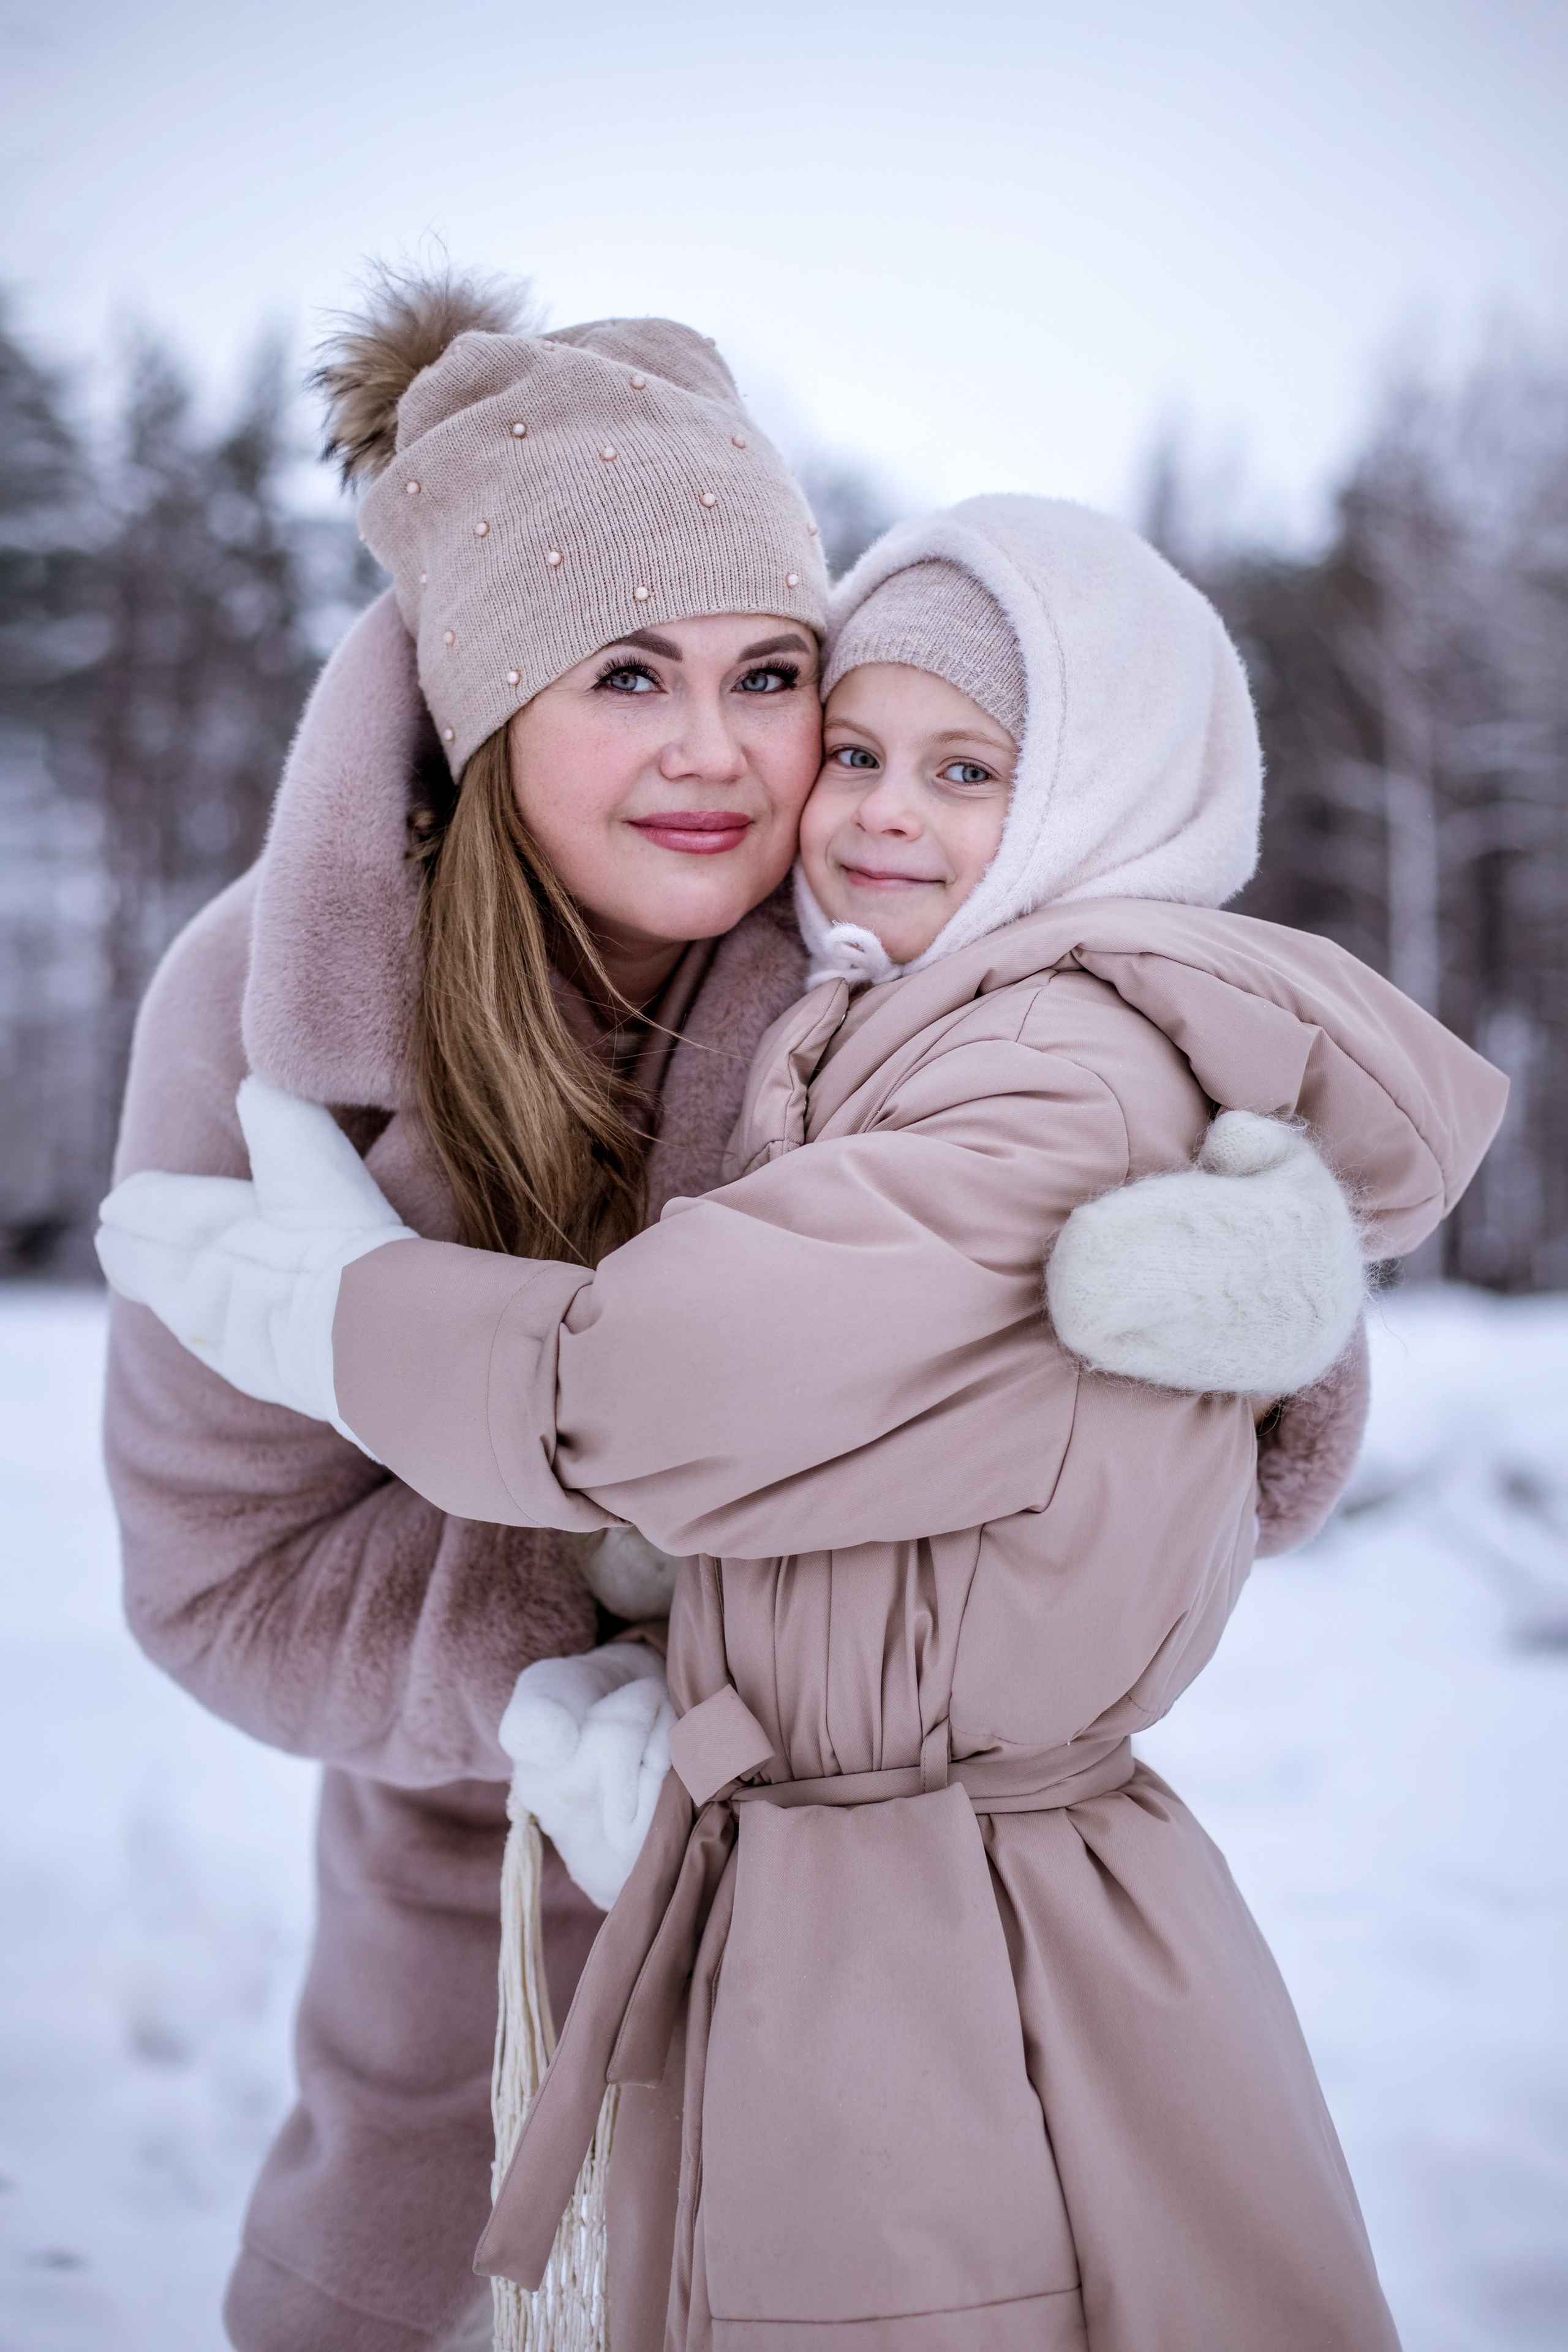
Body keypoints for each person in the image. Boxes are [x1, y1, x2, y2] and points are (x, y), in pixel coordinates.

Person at [101, 282, 1415, 2351]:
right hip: (494, 1912)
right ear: (481, 694)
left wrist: (1252, 1306)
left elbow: (1158, 1380)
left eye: (770, 672)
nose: (722, 754)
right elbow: (223, 1580)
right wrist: (565, 1673)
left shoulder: (889, 933)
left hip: (879, 1930)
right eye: (627, 673)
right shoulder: (267, 1019)